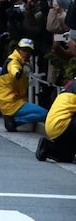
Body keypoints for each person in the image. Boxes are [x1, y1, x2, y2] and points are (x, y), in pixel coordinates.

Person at [37, 31, 76, 163]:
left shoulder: (73, 83)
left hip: (53, 124)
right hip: (61, 124)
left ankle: (48, 148)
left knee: (67, 157)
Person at [0, 38, 48, 131]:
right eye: (24, 50)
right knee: (44, 113)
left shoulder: (20, 62)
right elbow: (13, 68)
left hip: (12, 101)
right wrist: (17, 73)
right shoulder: (14, 61)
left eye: (29, 51)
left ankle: (12, 120)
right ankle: (14, 121)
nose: (27, 54)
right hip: (12, 102)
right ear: (18, 49)